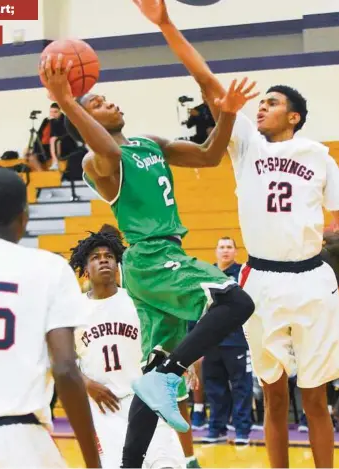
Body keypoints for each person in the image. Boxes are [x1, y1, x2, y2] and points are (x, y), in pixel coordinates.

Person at [135, 0, 339, 466]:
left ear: (295, 117)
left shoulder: (319, 155)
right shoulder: (245, 143)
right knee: (272, 395)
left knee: (315, 396)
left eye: (273, 103)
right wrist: (166, 24)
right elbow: (208, 83)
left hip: (311, 279)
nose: (262, 107)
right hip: (261, 279)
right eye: (260, 102)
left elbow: (335, 221)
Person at [39, 41, 257, 467]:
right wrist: (67, 102)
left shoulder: (150, 143)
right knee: (237, 299)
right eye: (97, 102)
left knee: (152, 375)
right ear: (84, 121)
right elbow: (108, 150)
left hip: (161, 259)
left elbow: (211, 155)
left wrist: (227, 112)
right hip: (150, 257)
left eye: (103, 98)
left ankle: (130, 462)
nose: (108, 100)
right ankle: (169, 375)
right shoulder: (95, 162)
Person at [0, 167, 100, 469]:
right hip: (20, 438)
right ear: (24, 215)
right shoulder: (49, 268)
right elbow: (65, 368)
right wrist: (93, 462)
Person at [70, 230, 186, 469]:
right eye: (95, 257)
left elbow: (164, 337)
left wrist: (185, 360)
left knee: (168, 465)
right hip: (104, 409)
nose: (103, 259)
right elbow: (59, 360)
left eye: (108, 256)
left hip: (145, 400)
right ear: (85, 268)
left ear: (117, 264)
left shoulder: (137, 301)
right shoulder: (73, 310)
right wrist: (86, 383)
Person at [201, 237, 253, 445]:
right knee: (214, 388)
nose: (225, 251)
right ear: (215, 251)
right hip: (212, 341)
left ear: (236, 251)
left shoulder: (242, 273)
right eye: (221, 247)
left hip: (237, 341)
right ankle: (217, 428)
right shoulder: (207, 274)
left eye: (229, 247)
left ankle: (242, 431)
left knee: (242, 386)